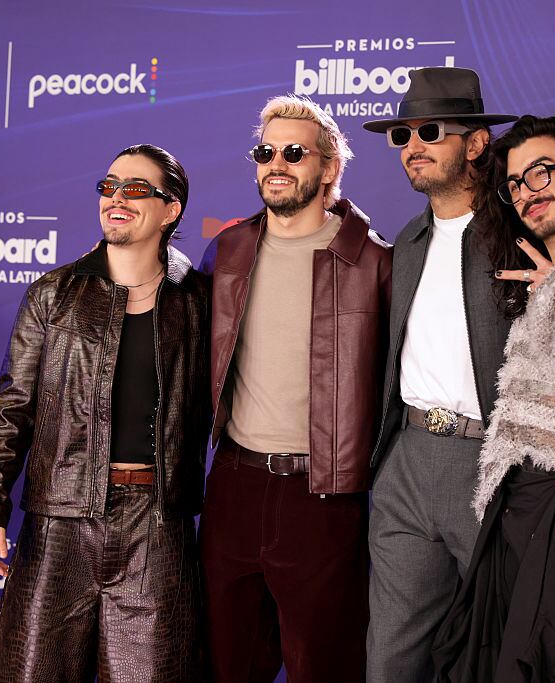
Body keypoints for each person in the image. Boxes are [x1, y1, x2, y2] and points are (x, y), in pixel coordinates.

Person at [361, 68, 555, 682]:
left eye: (430, 130)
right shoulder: (404, 241)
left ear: (476, 143)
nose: (413, 145)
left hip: (497, 464)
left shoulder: (518, 225)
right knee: (390, 657)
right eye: (402, 134)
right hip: (408, 460)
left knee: (496, 652)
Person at [0, 144, 209, 682]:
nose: (116, 198)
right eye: (108, 186)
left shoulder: (199, 300)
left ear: (171, 209)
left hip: (159, 527)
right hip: (58, 524)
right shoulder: (53, 295)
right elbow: (13, 410)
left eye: (135, 189)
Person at [198, 95, 391, 682]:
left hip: (325, 498)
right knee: (228, 666)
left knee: (325, 669)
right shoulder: (227, 252)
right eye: (265, 152)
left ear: (329, 167)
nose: (275, 164)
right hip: (233, 485)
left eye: (293, 152)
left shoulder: (374, 261)